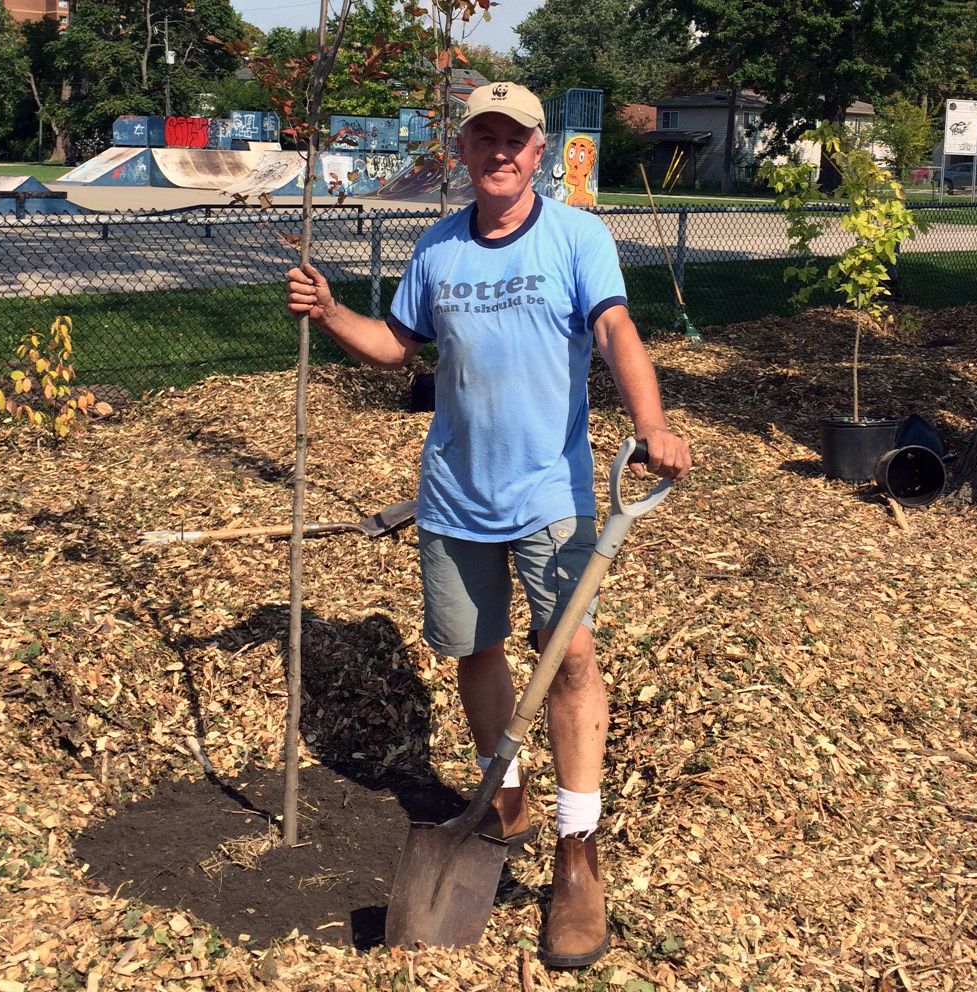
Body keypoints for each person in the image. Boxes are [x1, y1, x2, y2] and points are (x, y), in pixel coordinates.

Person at [287, 81, 691, 968]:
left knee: (571, 654)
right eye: (483, 140)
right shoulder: (436, 248)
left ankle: (577, 852)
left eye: (515, 140)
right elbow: (400, 345)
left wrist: (651, 421)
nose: (499, 153)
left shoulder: (578, 238)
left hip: (552, 491)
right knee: (476, 651)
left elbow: (618, 333)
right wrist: (329, 311)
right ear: (463, 153)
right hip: (454, 495)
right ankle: (502, 797)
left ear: (538, 152)